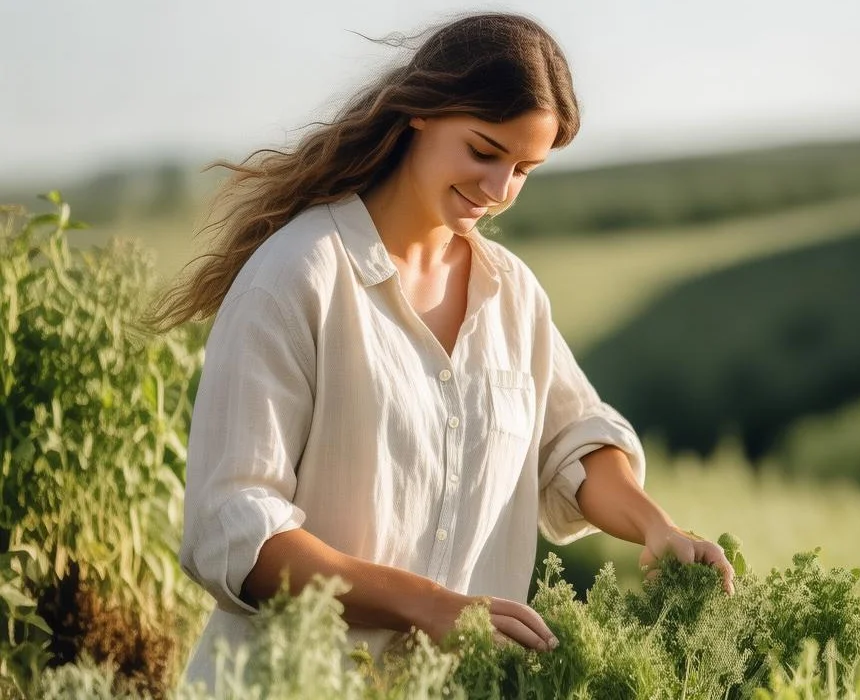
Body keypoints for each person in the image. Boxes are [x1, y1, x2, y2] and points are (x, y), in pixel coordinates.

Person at [147, 11, 735, 691]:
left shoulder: (512, 295)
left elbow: (573, 440)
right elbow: (233, 529)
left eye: (523, 169)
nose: (498, 191)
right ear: (421, 112)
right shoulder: (298, 277)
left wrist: (654, 527)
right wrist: (432, 606)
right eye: (484, 152)